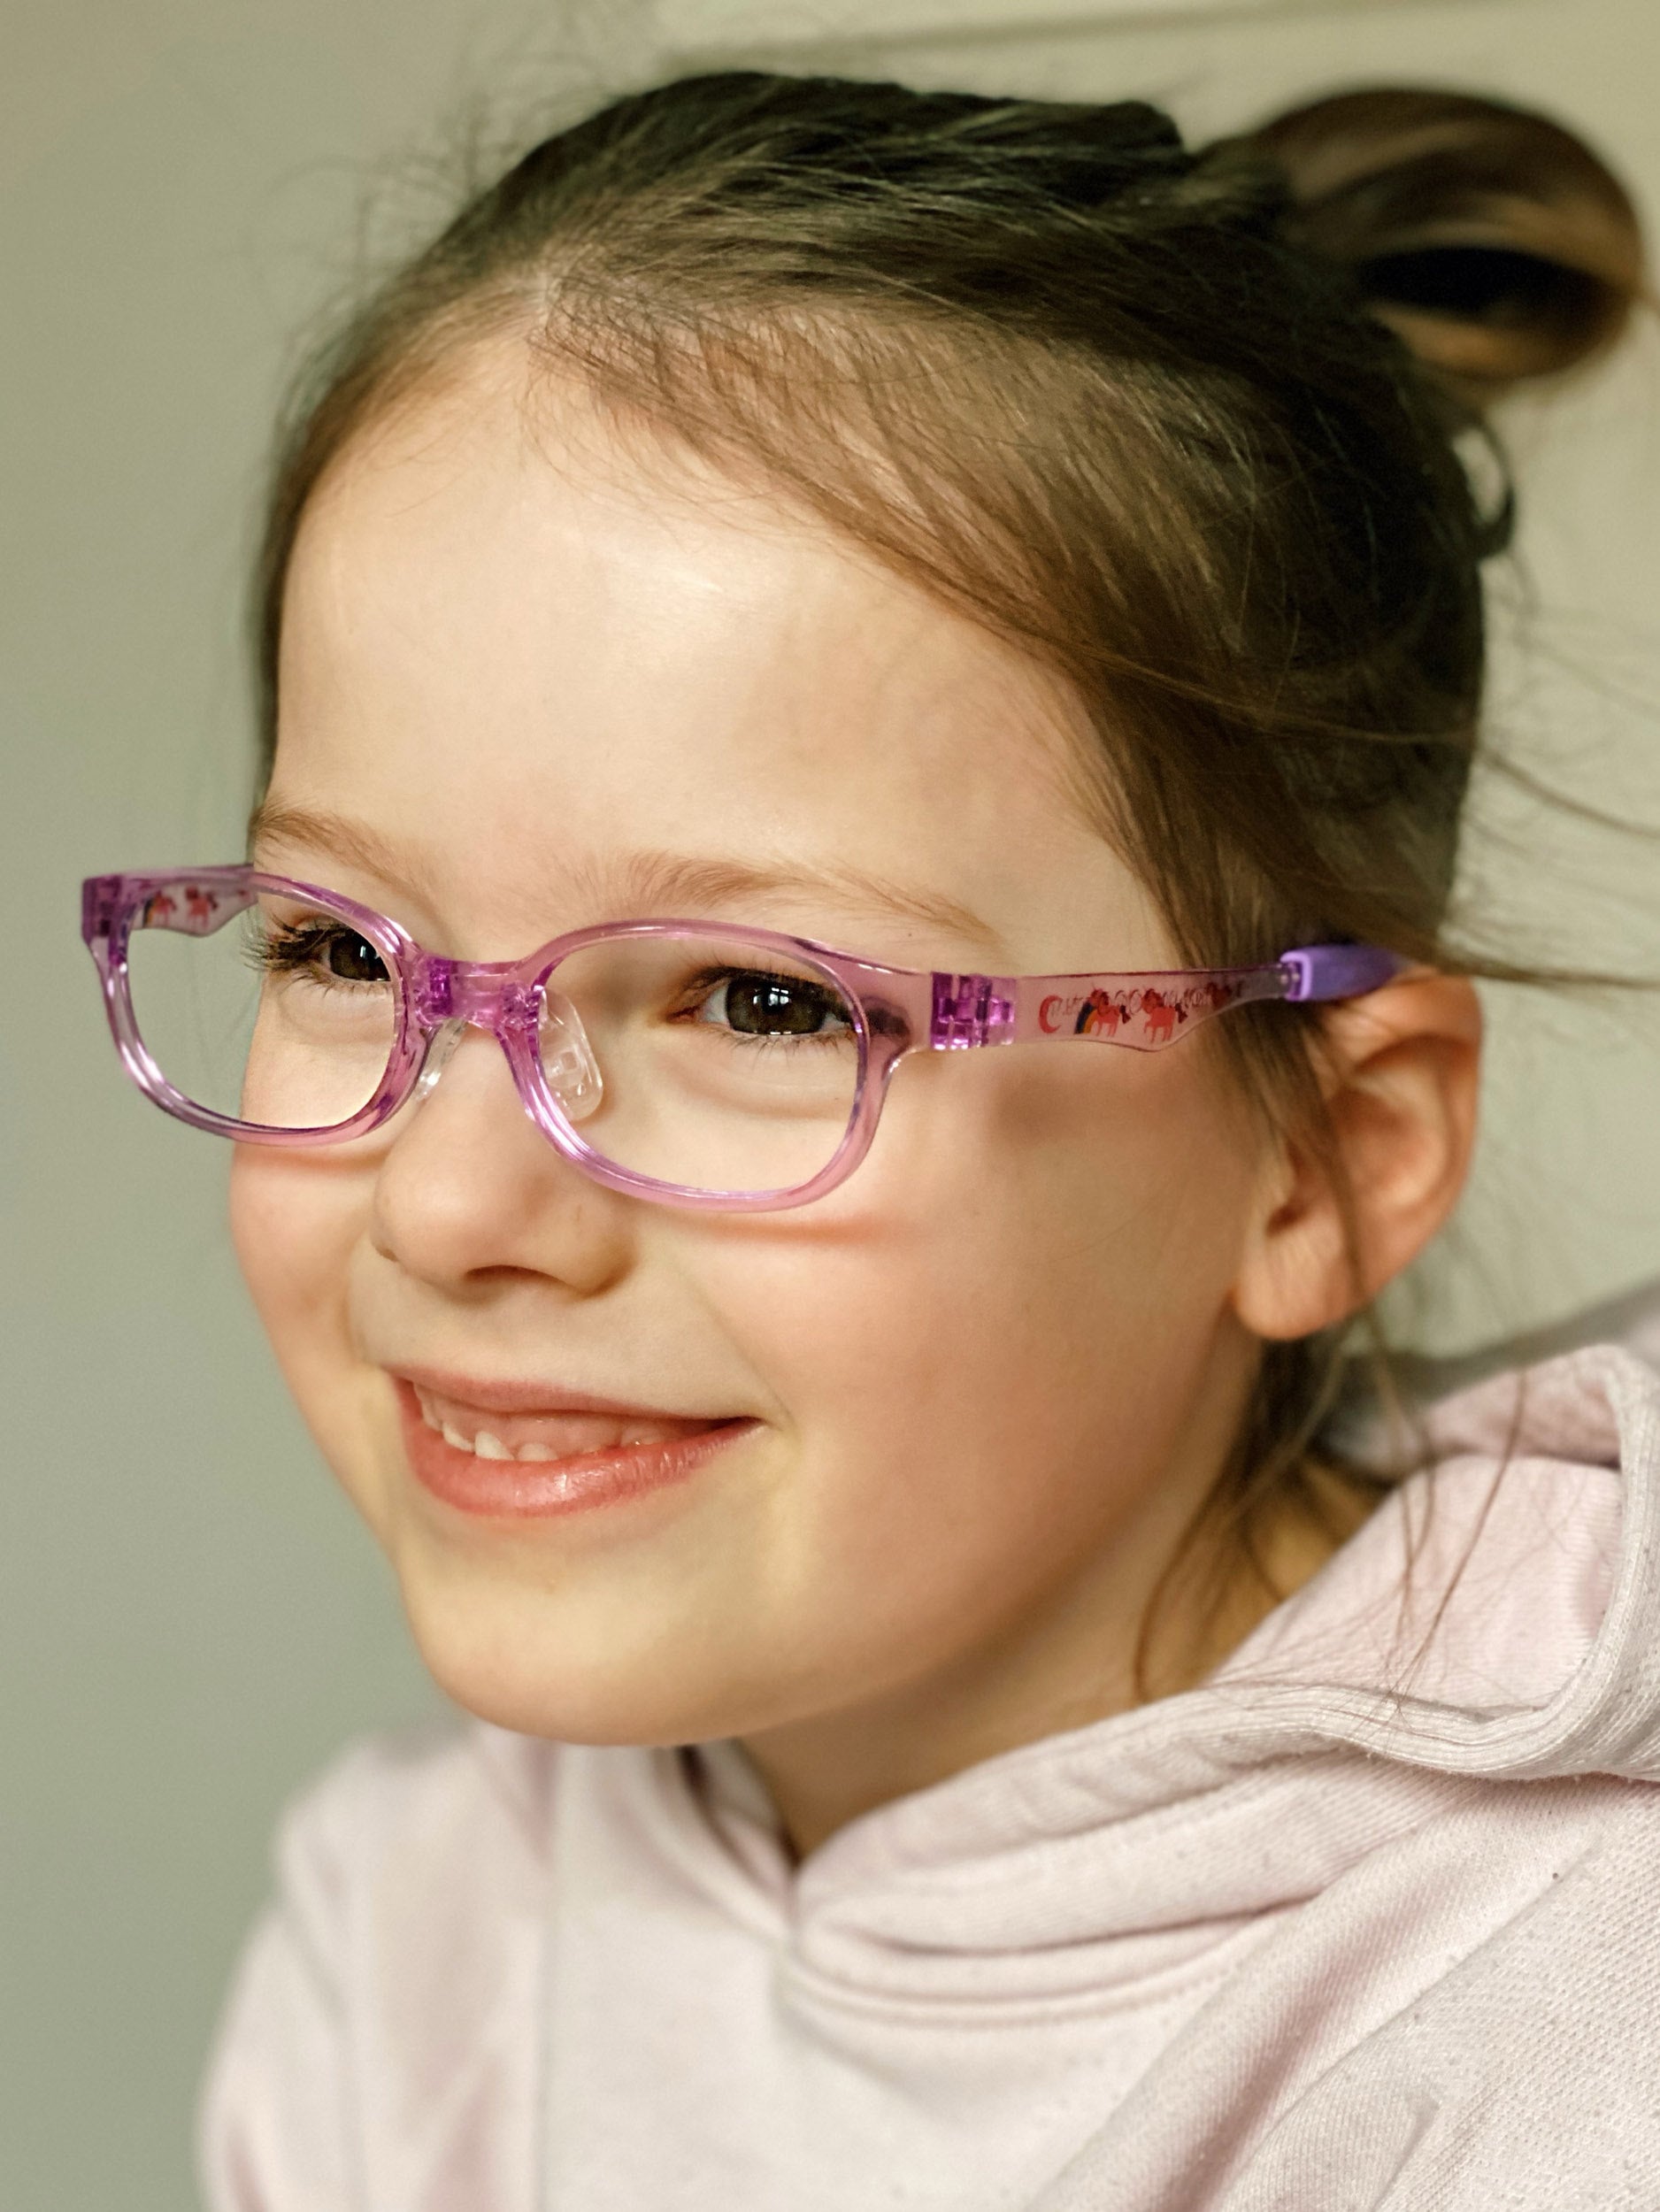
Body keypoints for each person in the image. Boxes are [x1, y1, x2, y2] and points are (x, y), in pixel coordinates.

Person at [80, 69, 1660, 2211]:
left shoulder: (1560, 2045)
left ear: (1319, 1157)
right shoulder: (411, 1933)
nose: (452, 1202)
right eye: (342, 948)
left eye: (765, 999)